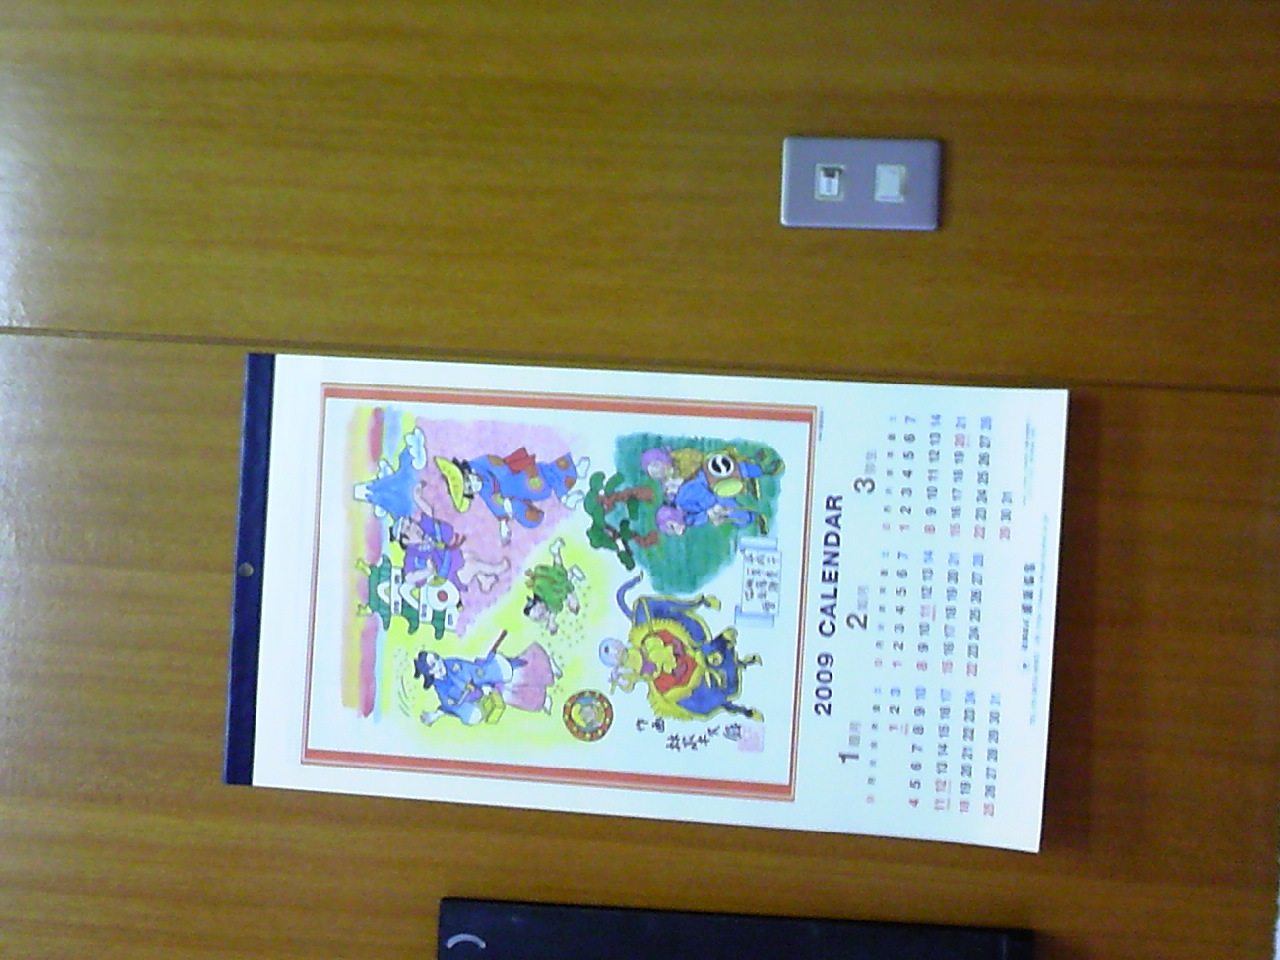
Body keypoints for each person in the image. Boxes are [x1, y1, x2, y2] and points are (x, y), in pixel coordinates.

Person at [435, 449, 589, 544]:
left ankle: (573, 471)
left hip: (521, 475)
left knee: (546, 473)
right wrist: (503, 522)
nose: (473, 485)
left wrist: (502, 494)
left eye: (469, 481)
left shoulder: (481, 465)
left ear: (467, 472)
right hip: (520, 492)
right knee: (525, 502)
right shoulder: (484, 491)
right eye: (469, 489)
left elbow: (500, 467)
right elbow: (494, 504)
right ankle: (564, 496)